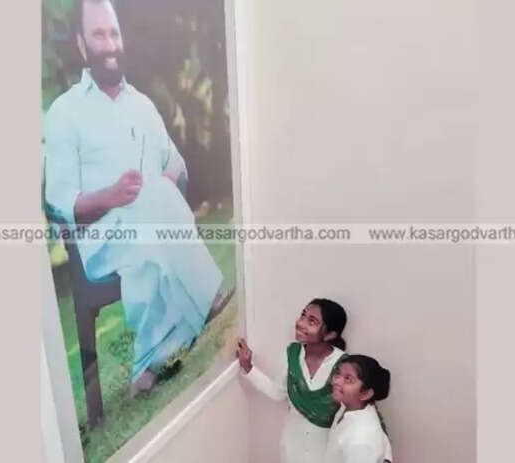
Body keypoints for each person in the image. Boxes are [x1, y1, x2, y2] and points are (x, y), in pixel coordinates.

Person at [44, 0, 232, 395]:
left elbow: (176, 165)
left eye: (114, 33)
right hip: (99, 241)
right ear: (81, 44)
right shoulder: (64, 112)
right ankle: (206, 297)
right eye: (99, 35)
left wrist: (161, 186)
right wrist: (111, 196)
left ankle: (148, 367)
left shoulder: (142, 104)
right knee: (152, 206)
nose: (110, 44)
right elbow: (57, 202)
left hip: (152, 223)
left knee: (155, 200)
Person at [237, 299, 391, 463]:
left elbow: (359, 409)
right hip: (293, 445)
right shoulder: (291, 354)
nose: (300, 323)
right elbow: (278, 392)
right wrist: (248, 367)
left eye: (312, 321)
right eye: (303, 315)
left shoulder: (343, 366)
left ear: (330, 334)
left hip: (326, 450)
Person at [325, 354, 393, 463]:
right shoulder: (348, 405)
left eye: (348, 379)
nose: (335, 381)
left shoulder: (361, 439)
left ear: (365, 394)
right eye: (338, 374)